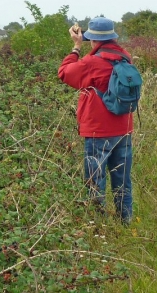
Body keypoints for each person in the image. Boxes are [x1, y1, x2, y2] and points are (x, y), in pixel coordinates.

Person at [58, 17, 134, 224]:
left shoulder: (92, 62)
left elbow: (64, 73)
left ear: (92, 40)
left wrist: (76, 46)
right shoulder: (125, 57)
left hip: (98, 131)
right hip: (124, 128)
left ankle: (97, 226)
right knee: (123, 181)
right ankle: (125, 223)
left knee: (94, 181)